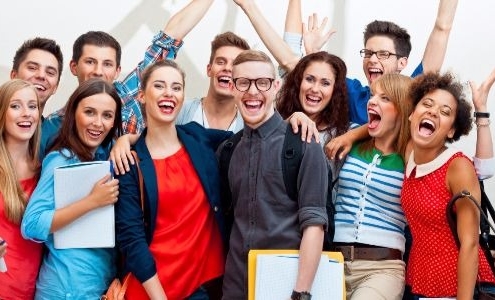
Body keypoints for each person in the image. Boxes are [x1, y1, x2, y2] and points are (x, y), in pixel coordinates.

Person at [115, 59, 232, 299]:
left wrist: (295, 118)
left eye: (176, 87)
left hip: (202, 287)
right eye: (159, 86)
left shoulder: (197, 137)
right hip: (152, 291)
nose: (169, 92)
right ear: (142, 96)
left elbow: (253, 135)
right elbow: (131, 239)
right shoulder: (129, 162)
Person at [40, 0, 215, 159]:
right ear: (73, 67)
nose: (98, 71)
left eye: (107, 64)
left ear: (117, 71)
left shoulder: (129, 96)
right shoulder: (54, 124)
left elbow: (170, 37)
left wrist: (130, 138)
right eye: (90, 62)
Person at [221, 49, 328, 299]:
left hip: (284, 285)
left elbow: (314, 224)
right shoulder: (227, 150)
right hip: (234, 286)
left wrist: (301, 293)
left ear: (276, 86)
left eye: (263, 82)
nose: (253, 91)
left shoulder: (304, 143)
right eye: (243, 82)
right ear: (233, 88)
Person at [21, 78, 122, 299]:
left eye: (107, 115)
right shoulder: (61, 159)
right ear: (74, 113)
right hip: (64, 288)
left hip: (96, 286)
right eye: (89, 112)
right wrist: (92, 202)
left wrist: (126, 140)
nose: (98, 123)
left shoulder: (105, 159)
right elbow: (31, 224)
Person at [401, 71, 495, 299]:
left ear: (451, 130)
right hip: (421, 283)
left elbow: (470, 243)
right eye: (427, 104)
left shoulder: (458, 167)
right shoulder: (410, 151)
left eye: (445, 112)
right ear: (413, 114)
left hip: (460, 286)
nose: (433, 111)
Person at [333, 74, 413, 300]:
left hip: (382, 268)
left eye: (384, 98)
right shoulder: (351, 141)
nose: (372, 101)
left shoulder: (411, 158)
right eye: (372, 95)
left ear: (403, 110)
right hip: (331, 261)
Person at [0, 79, 42, 299]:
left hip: (32, 290)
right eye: (15, 106)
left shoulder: (44, 169)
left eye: (32, 106)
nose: (26, 113)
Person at [10, 37, 64, 116]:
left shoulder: (57, 127)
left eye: (50, 72)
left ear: (56, 87)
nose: (41, 75)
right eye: (32, 68)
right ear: (14, 76)